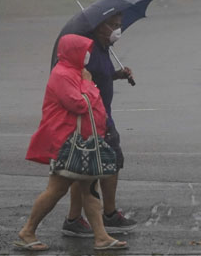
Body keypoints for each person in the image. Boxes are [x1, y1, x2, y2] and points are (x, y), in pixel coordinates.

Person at [16, 34, 127, 251]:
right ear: (72, 52)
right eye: (84, 50)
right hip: (66, 144)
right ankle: (27, 231)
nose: (88, 54)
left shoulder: (77, 72)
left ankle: (101, 237)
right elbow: (79, 104)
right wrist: (88, 84)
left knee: (90, 189)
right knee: (56, 189)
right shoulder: (62, 75)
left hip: (84, 143)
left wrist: (87, 82)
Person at [54, 12, 138, 238]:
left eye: (120, 25)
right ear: (101, 27)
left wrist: (117, 75)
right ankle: (102, 216)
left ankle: (81, 218)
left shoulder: (103, 48)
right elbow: (79, 79)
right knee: (103, 163)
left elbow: (103, 75)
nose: (118, 30)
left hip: (101, 114)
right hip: (94, 117)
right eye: (114, 25)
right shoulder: (87, 50)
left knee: (89, 168)